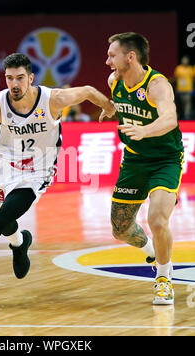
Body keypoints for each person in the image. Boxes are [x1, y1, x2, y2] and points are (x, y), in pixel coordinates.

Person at [0, 53, 115, 295]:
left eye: (20, 78)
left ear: (31, 78)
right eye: (9, 78)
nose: (14, 84)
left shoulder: (52, 99)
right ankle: (20, 243)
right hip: (5, 168)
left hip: (38, 171)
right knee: (4, 222)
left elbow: (87, 90)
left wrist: (107, 105)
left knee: (0, 219)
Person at [103, 32, 184, 305]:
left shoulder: (157, 84)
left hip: (166, 160)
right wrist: (111, 109)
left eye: (112, 55)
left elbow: (170, 118)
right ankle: (152, 250)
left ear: (130, 56)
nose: (107, 61)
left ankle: (164, 278)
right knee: (120, 228)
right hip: (134, 160)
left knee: (157, 220)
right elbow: (122, 104)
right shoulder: (114, 81)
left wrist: (144, 130)